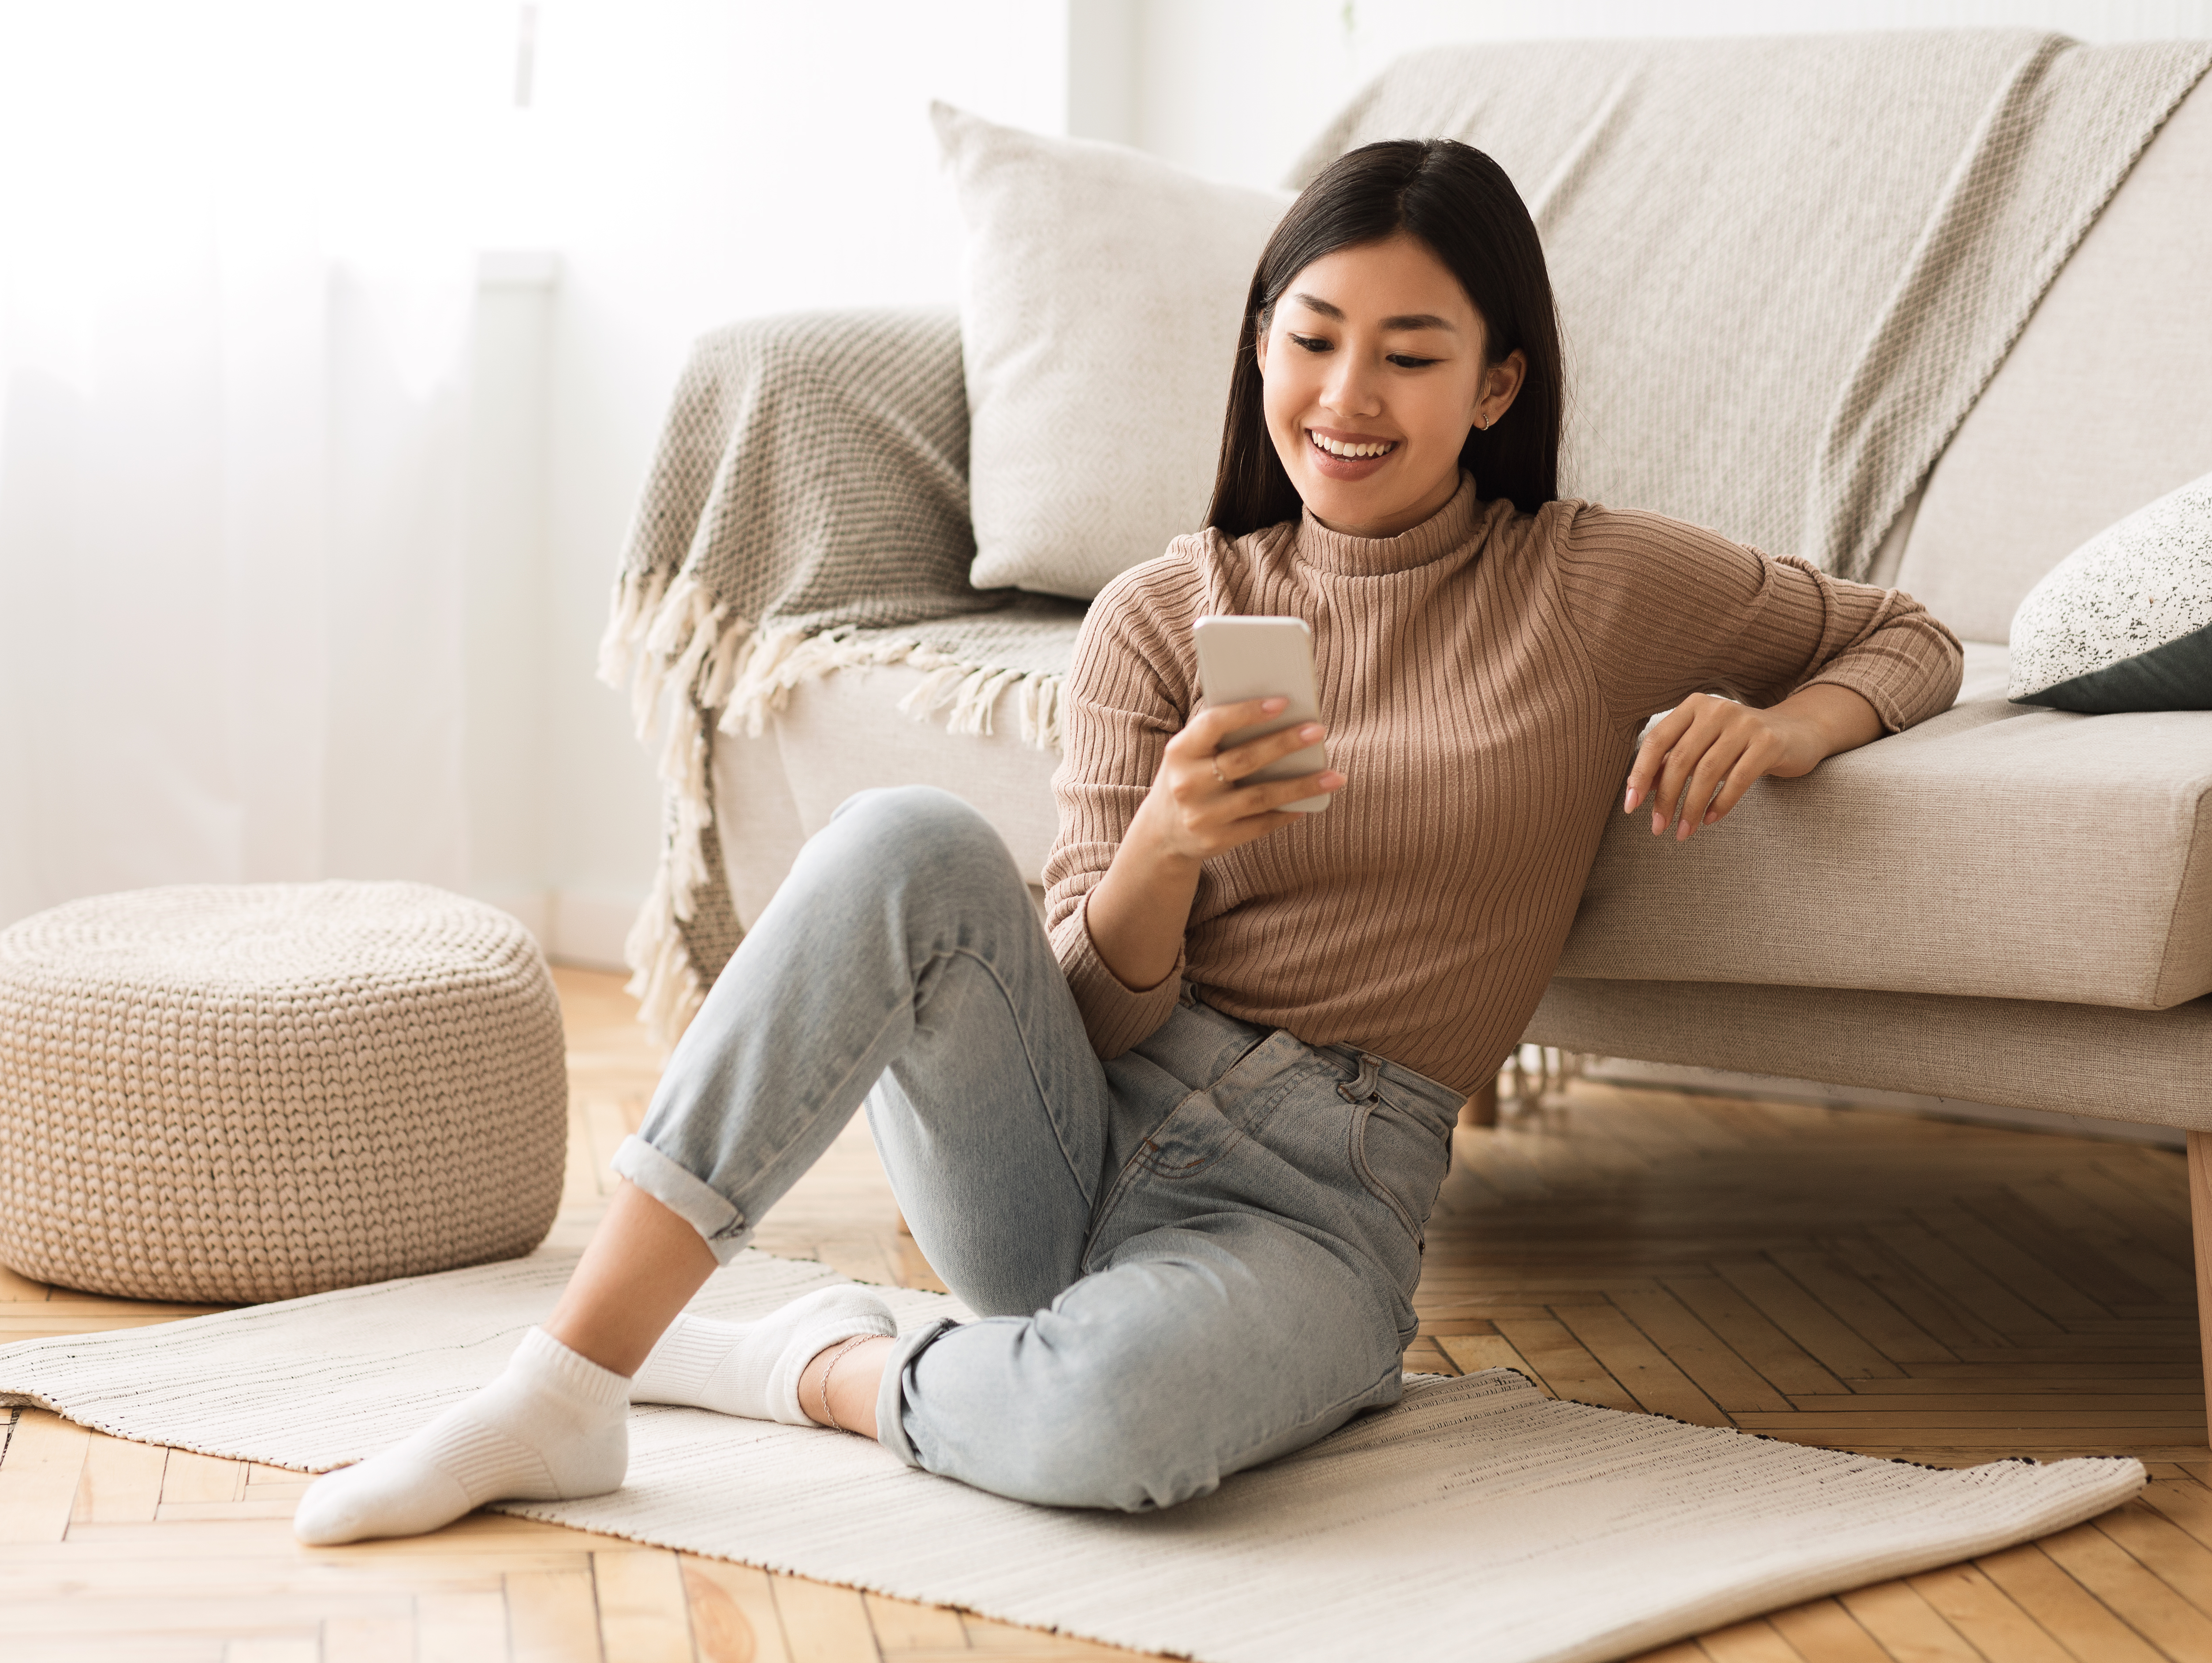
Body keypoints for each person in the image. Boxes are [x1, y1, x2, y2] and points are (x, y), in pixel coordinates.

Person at [292, 138, 1963, 1545]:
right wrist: (1164, 844)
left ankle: (804, 1363)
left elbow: (1905, 634)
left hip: (1319, 1207)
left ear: (1497, 383)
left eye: (1410, 354)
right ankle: (567, 1383)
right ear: (1259, 347)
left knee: (1103, 1429)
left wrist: (1785, 726)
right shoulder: (1164, 614)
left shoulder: (1589, 586)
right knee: (901, 841)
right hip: (1067, 1132)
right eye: (1312, 339)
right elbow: (1087, 1016)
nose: (1348, 397)